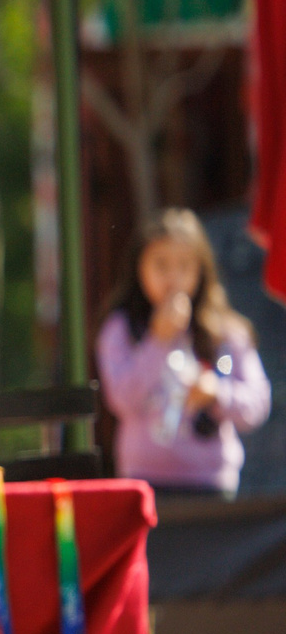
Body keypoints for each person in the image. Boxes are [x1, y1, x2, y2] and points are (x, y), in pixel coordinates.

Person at [96, 208, 272, 497]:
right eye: (161, 265)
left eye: (184, 266)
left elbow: (258, 402)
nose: (173, 278)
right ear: (138, 267)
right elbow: (121, 399)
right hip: (144, 481)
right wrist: (158, 341)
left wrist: (217, 393)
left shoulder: (225, 333)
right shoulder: (121, 328)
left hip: (212, 482)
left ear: (201, 270)